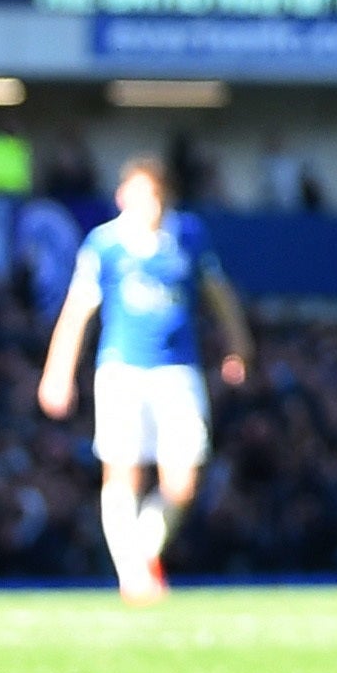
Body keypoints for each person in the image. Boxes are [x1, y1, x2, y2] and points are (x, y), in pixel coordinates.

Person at [34, 155, 252, 603]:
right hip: (122, 369)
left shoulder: (188, 236)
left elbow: (219, 294)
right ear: (122, 197)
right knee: (122, 472)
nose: (147, 205)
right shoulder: (105, 245)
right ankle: (133, 576)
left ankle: (141, 552)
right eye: (138, 195)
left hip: (177, 370)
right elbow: (77, 311)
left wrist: (238, 345)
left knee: (183, 480)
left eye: (154, 195)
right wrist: (58, 371)